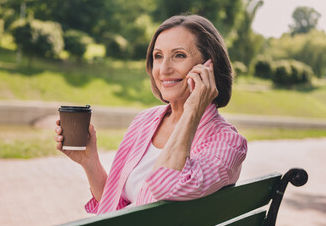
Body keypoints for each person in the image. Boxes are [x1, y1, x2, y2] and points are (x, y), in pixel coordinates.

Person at [54, 14, 247, 214]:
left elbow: (166, 184)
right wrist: (90, 161)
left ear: (209, 67)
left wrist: (192, 111)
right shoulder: (145, 121)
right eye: (158, 56)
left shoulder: (227, 143)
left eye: (179, 55)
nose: (164, 69)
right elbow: (116, 207)